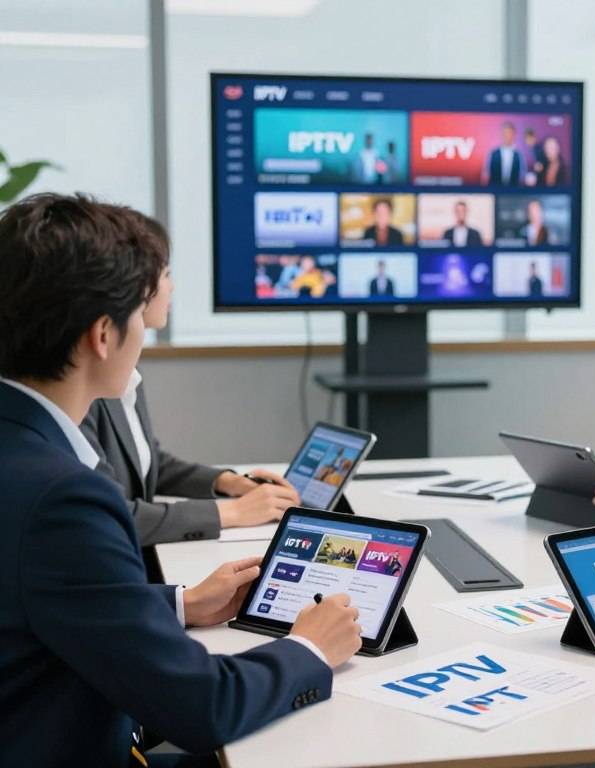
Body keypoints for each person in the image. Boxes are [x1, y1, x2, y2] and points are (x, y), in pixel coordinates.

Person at [0, 193, 362, 766]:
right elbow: (203, 707)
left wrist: (179, 604)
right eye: (137, 313)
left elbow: (38, 603)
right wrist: (310, 647)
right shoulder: (62, 498)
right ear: (102, 335)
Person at [82, 215, 302, 570]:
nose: (171, 287)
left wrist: (228, 482)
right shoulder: (85, 387)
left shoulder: (125, 371)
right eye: (166, 274)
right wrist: (231, 512)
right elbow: (106, 514)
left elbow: (149, 463)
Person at [482, 121, 526, 186]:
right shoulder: (493, 154)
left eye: (510, 133)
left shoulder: (519, 156)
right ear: (502, 134)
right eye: (505, 133)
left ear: (514, 135)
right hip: (494, 190)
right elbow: (485, 175)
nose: (507, 136)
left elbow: (522, 177)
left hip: (514, 191)